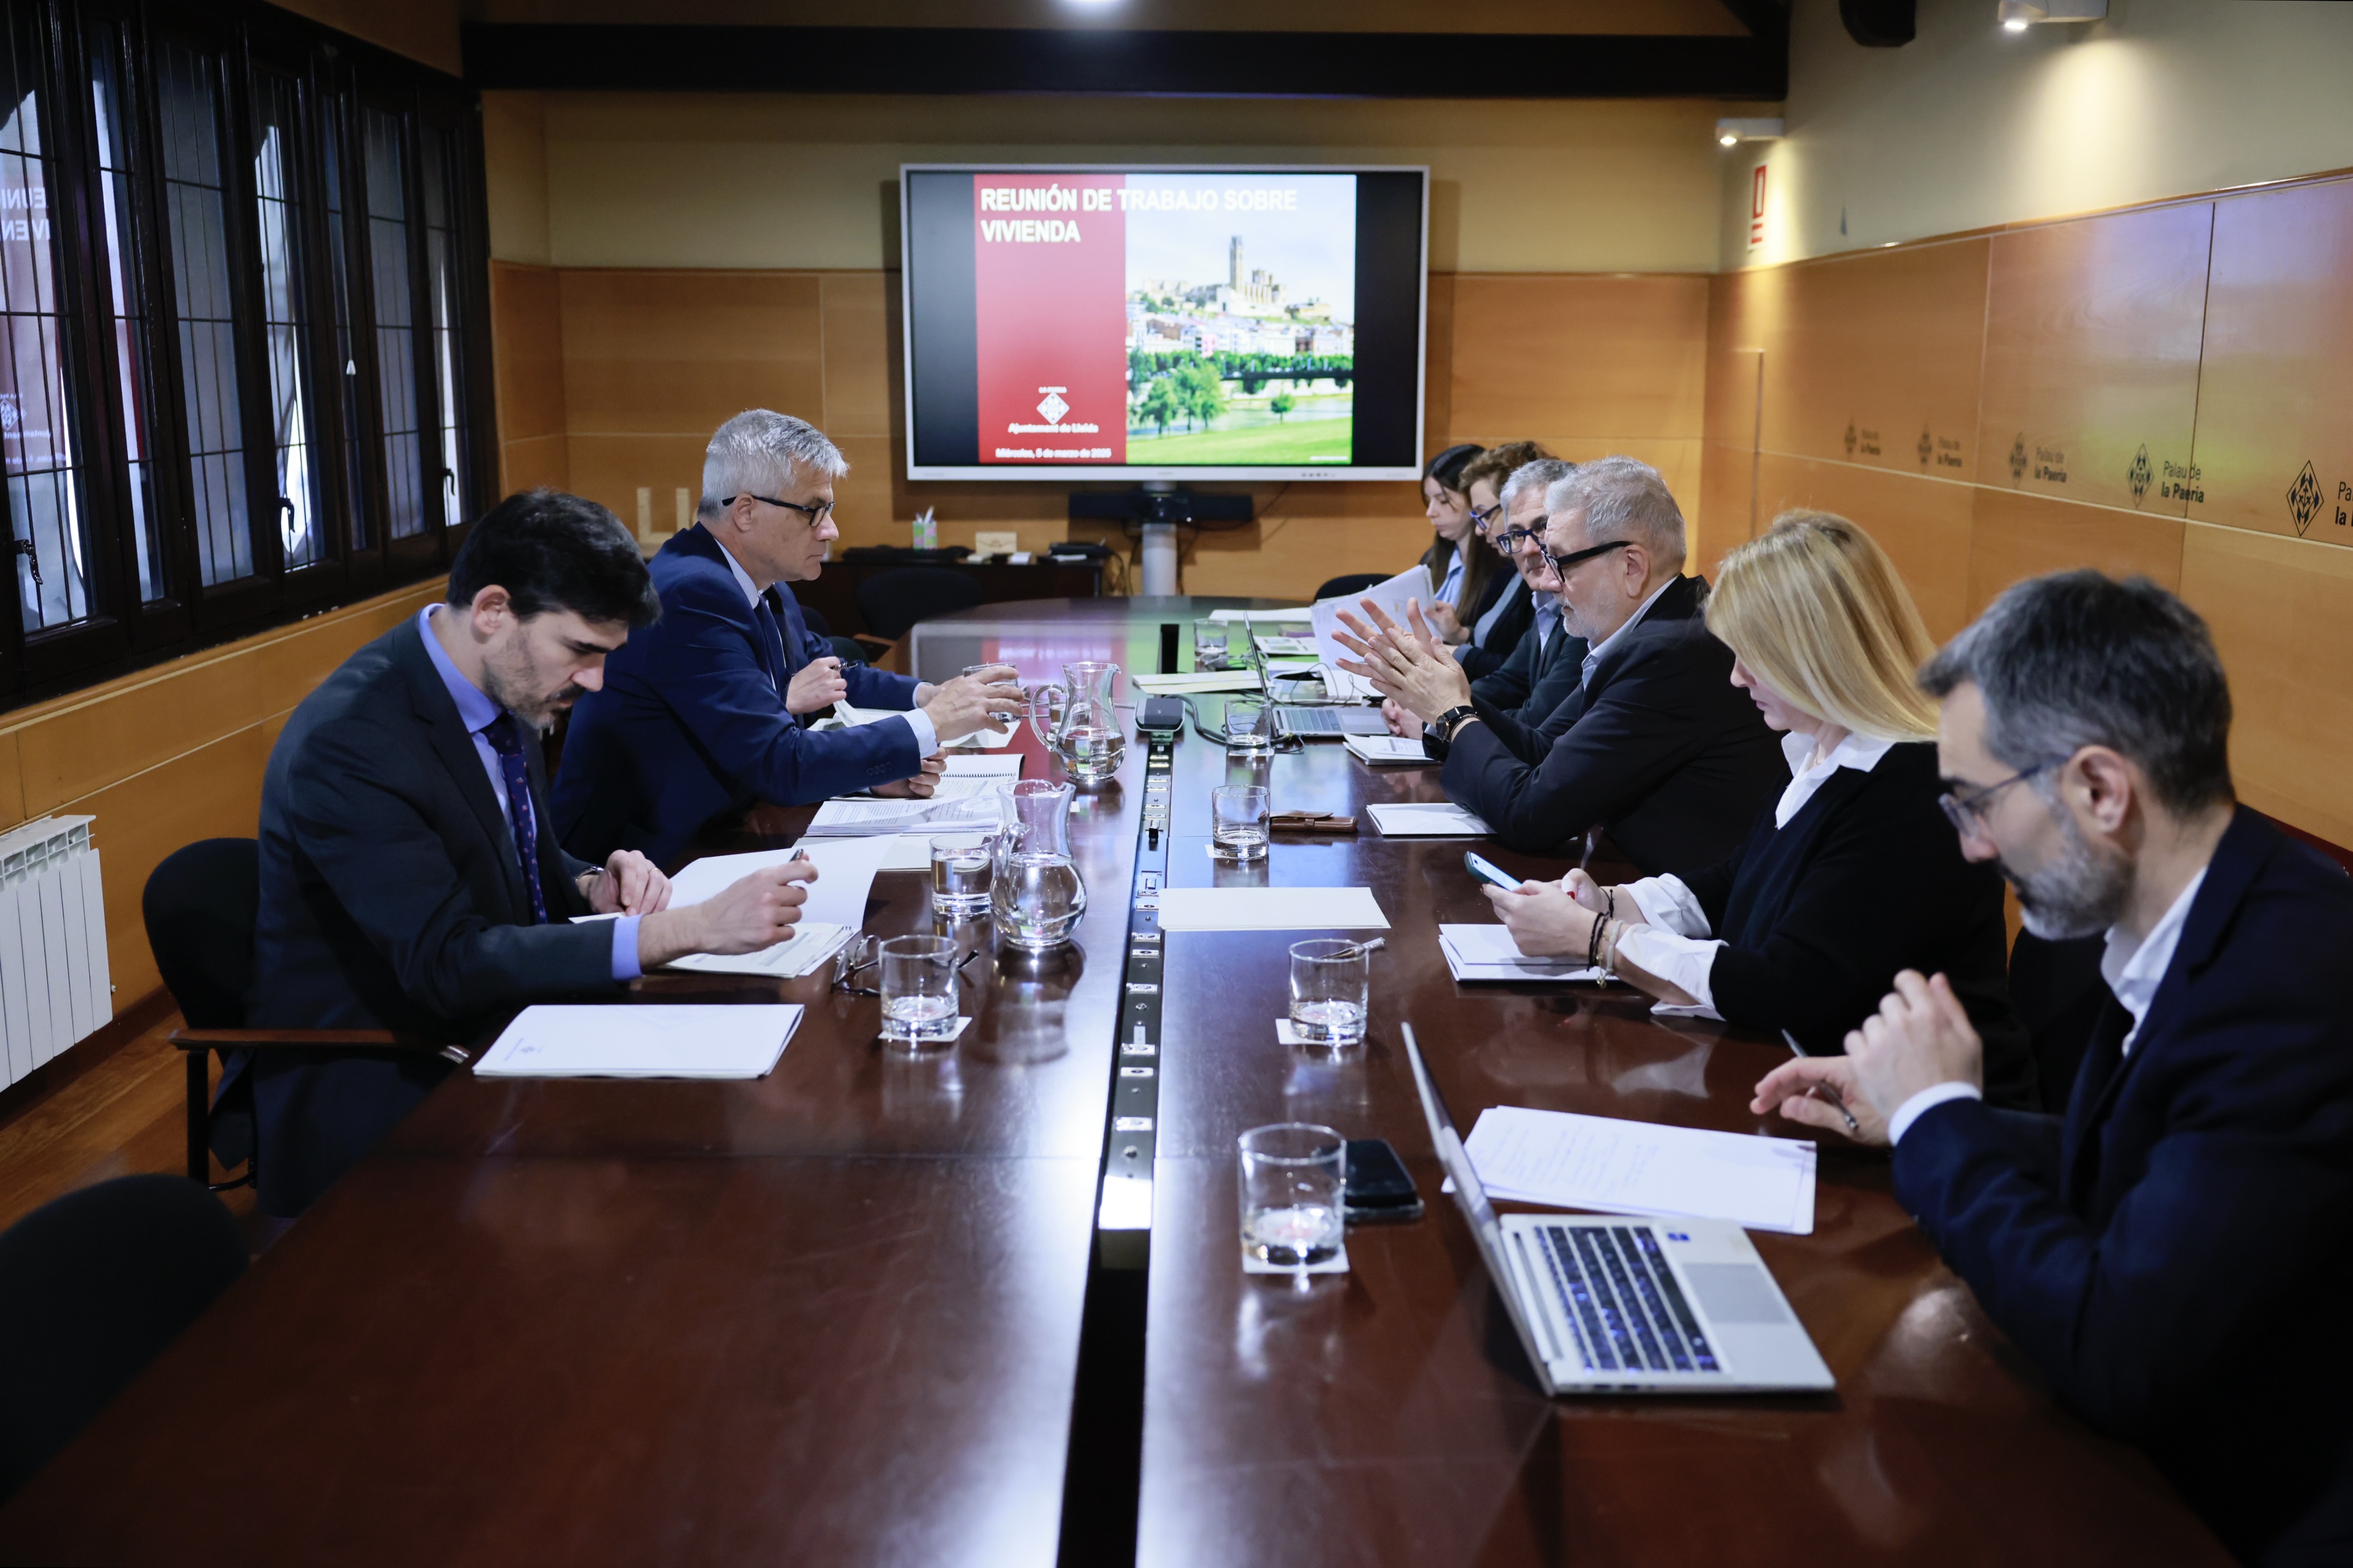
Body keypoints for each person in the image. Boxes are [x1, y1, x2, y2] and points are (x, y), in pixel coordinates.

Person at [1751, 571, 2353, 1565]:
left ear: (2098, 789)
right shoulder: (2222, 910)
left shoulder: (2287, 980)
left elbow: (2114, 1350)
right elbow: (2175, 1171)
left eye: (1973, 804)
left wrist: (1940, 1121)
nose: (1972, 846)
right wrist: (1917, 1115)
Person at [249, 489, 825, 1216]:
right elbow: (447, 964)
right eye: (582, 651)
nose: (595, 682)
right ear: (493, 611)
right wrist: (686, 929)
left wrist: (587, 884)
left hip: (511, 1031)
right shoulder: (353, 743)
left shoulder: (503, 680)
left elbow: (514, 852)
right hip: (390, 1088)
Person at [1484, 512, 2036, 1105]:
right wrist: (1610, 902)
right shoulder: (1816, 751)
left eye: (1753, 656)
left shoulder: (1910, 788)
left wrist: (1600, 940)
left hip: (1912, 1125)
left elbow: (1787, 984)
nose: (1737, 677)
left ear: (1818, 656)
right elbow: (1730, 884)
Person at [552, 410, 1022, 865]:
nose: (831, 530)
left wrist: (927, 696)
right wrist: (932, 723)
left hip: (729, 823)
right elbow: (781, 763)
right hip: (642, 861)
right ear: (746, 512)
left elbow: (831, 671)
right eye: (813, 511)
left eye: (829, 510)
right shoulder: (691, 595)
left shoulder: (758, 580)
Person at [1339, 456, 1785, 877]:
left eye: (1562, 561)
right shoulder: (1657, 631)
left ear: (1631, 566)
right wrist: (1446, 696)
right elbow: (1542, 748)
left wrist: (1452, 715)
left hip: (1688, 916)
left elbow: (1530, 814)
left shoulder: (1670, 654)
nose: (1549, 580)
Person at [1425, 442, 1548, 681]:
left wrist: (1455, 654)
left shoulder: (1535, 575)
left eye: (1483, 515)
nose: (1480, 530)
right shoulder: (1519, 571)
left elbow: (1522, 680)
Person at [1411, 443, 1500, 625]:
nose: (1431, 512)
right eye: (1429, 501)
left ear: (1474, 499)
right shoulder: (1431, 559)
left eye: (1443, 501)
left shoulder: (1503, 568)